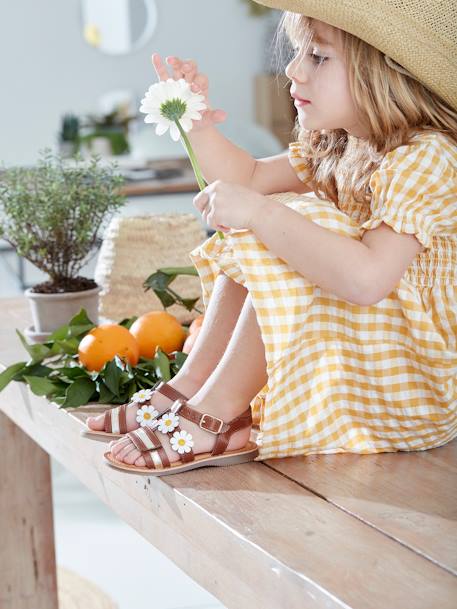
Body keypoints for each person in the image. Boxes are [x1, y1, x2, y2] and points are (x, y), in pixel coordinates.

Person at [89, 0, 457, 476]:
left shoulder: (427, 157)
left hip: (411, 396)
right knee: (276, 217)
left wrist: (262, 213)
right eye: (300, 52)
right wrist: (196, 125)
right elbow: (247, 178)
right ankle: (193, 386)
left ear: (385, 73)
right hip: (356, 368)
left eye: (318, 57)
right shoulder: (346, 141)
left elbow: (367, 279)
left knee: (287, 219)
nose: (292, 70)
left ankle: (218, 411)